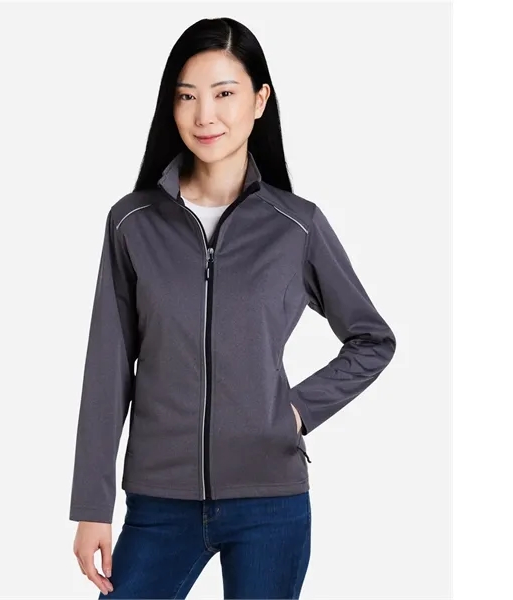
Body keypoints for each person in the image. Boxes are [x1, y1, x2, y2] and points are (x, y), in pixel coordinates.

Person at [69, 16, 397, 599]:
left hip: (270, 503)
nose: (205, 116)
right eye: (187, 97)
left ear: (259, 100)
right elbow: (107, 369)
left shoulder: (296, 226)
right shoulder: (133, 222)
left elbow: (372, 339)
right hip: (158, 501)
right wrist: (92, 505)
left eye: (224, 94)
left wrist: (294, 412)